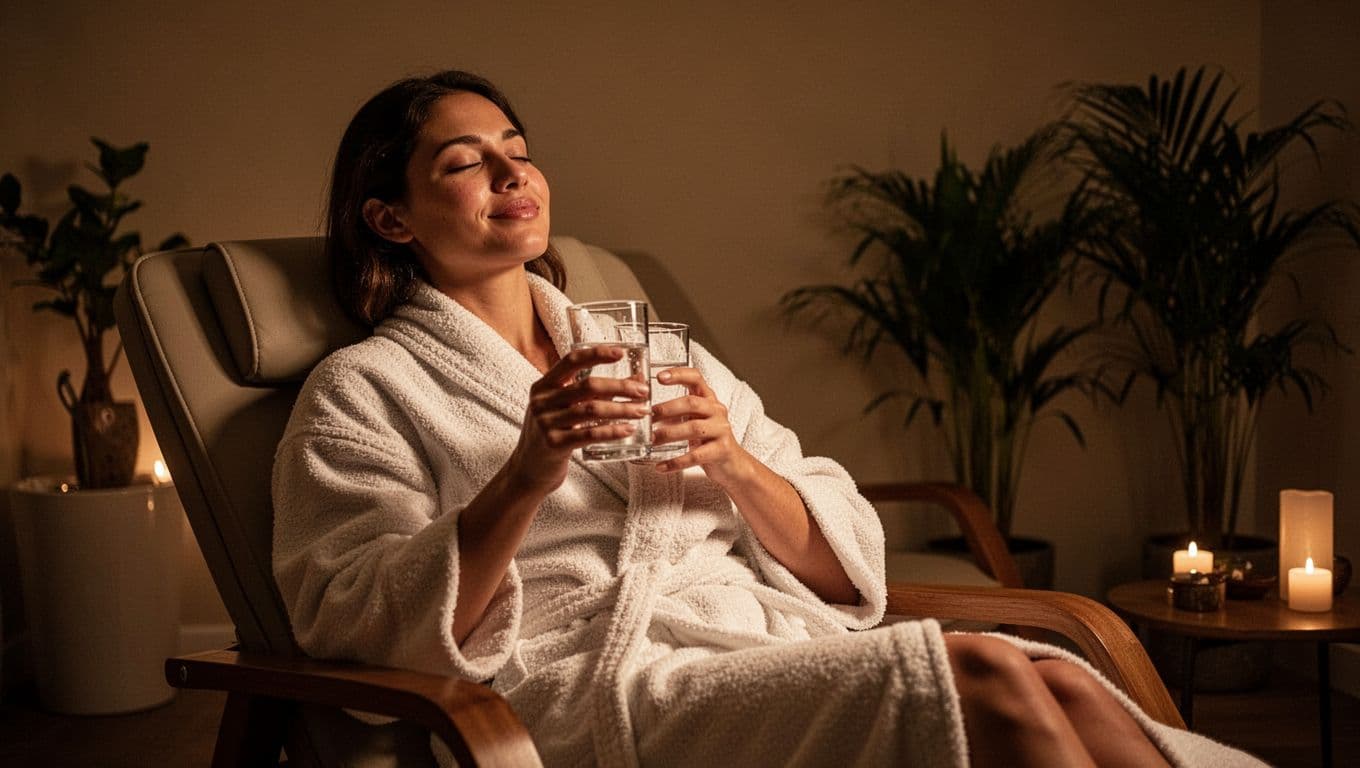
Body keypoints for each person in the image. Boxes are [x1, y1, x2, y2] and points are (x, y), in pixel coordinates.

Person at [272, 70, 1261, 768]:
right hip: (586, 683)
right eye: (463, 163)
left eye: (518, 154)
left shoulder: (651, 348)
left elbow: (841, 563)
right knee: (989, 680)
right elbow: (356, 619)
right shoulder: (364, 391)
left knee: (1060, 678)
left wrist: (733, 461)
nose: (511, 176)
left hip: (751, 642)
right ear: (389, 217)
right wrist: (528, 470)